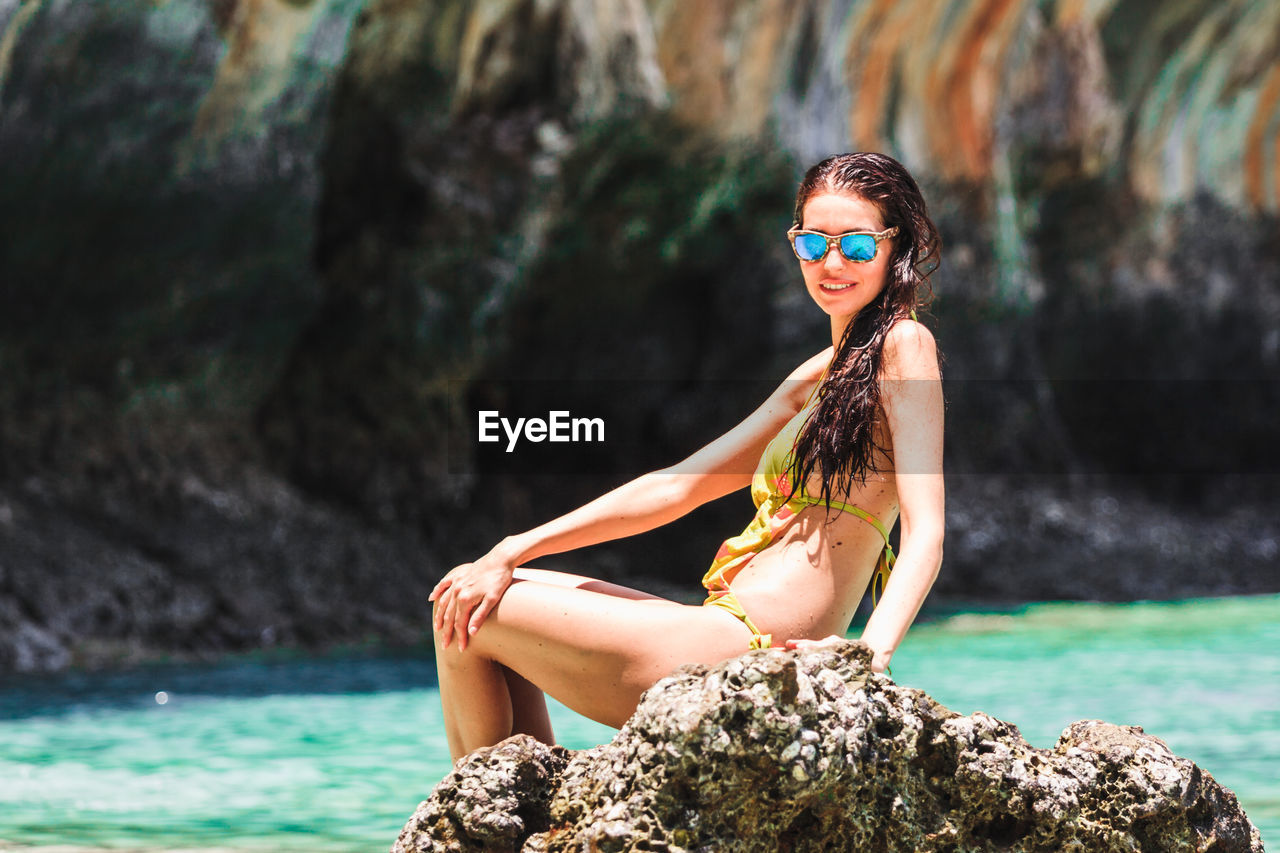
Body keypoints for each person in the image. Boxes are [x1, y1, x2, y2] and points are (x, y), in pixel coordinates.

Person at [430, 152, 945, 762]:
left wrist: (870, 656)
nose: (832, 264)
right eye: (813, 244)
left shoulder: (904, 346)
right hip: (721, 631)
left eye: (856, 246)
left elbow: (926, 530)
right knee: (474, 591)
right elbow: (678, 487)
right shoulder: (816, 378)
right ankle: (522, 808)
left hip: (745, 655)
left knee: (468, 614)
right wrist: (509, 549)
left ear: (897, 246)